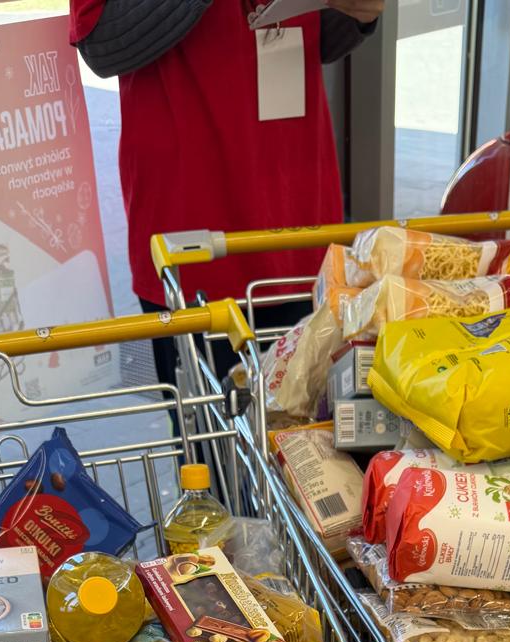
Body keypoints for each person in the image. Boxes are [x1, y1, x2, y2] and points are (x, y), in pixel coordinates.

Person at [71, 0, 384, 385]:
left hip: (303, 226)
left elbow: (315, 36)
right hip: (192, 240)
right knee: (211, 419)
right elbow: (102, 44)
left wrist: (356, 16)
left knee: (311, 413)